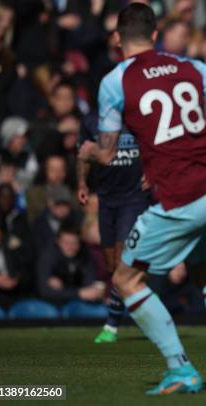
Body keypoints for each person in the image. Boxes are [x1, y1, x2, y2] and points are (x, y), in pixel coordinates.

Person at [78, 3, 206, 395]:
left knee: (126, 279)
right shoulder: (186, 66)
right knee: (205, 269)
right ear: (156, 35)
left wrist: (87, 151)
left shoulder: (115, 80)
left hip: (181, 196)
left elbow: (106, 154)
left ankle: (180, 368)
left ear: (118, 38)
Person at [77, 113, 150, 344]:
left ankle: (111, 325)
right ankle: (143, 308)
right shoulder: (90, 121)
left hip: (134, 198)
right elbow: (83, 154)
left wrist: (152, 170)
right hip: (106, 199)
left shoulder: (139, 114)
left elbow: (157, 145)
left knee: (121, 262)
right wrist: (81, 183)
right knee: (112, 267)